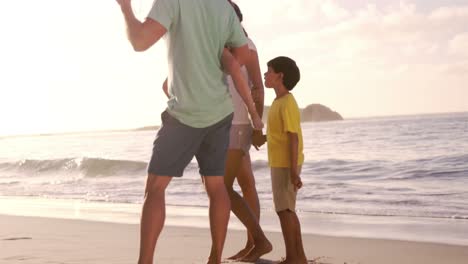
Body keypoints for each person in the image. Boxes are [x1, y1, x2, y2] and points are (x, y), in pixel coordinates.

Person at [115, 0, 253, 263]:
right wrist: (214, 62)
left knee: (155, 187)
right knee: (216, 186)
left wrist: (126, 9)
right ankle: (215, 258)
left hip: (186, 112)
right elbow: (243, 54)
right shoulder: (224, 7)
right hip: (220, 111)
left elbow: (140, 42)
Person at [222, 1, 272, 262]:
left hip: (236, 124)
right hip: (230, 123)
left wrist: (256, 126)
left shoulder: (245, 44)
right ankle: (253, 244)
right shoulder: (227, 42)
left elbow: (258, 88)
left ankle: (259, 241)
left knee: (224, 186)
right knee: (246, 184)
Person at [256, 56, 308, 264]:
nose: (265, 74)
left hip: (286, 164)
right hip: (280, 162)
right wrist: (264, 138)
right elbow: (280, 133)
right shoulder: (278, 102)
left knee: (285, 211)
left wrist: (294, 171)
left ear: (280, 76)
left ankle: (294, 257)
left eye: (269, 71)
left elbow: (293, 137)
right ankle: (298, 256)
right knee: (286, 210)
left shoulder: (287, 102)